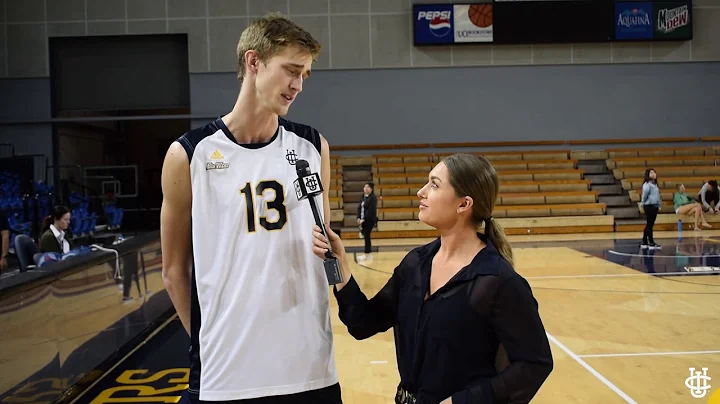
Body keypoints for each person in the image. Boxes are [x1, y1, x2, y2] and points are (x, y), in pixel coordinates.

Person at [160, 13, 342, 404]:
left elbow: (321, 249)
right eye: (291, 70)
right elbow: (174, 271)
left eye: (305, 75)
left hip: (309, 369)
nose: (298, 85)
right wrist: (214, 342)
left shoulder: (313, 147)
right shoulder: (189, 155)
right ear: (253, 62)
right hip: (227, 375)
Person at [313, 153, 553, 404]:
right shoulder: (415, 265)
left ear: (463, 204)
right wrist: (338, 264)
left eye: (434, 184)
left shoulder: (497, 280)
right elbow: (361, 323)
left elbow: (534, 364)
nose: (421, 192)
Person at [356, 182, 377, 261]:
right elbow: (359, 208)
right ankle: (367, 253)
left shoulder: (373, 198)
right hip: (362, 220)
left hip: (369, 220)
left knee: (367, 236)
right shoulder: (363, 197)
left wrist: (363, 219)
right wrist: (358, 218)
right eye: (365, 187)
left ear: (371, 189)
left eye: (368, 187)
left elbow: (371, 211)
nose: (366, 188)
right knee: (365, 236)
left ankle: (367, 253)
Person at [641, 168, 661, 249]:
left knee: (650, 224)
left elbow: (658, 196)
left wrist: (659, 204)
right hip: (649, 206)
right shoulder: (647, 184)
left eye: (654, 172)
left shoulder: (655, 185)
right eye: (651, 173)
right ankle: (651, 242)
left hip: (655, 206)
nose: (654, 174)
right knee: (650, 224)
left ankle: (644, 241)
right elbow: (644, 195)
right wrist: (643, 203)